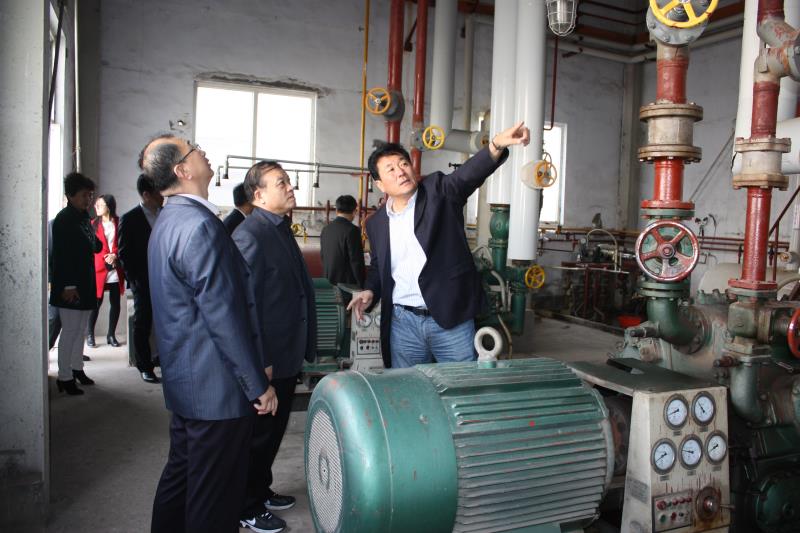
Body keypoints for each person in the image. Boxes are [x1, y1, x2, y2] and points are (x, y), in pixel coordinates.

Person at [140, 135, 277, 533]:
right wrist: (256, 385)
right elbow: (223, 315)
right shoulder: (199, 225)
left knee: (182, 478)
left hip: (187, 381)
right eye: (194, 149)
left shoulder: (170, 219)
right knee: (214, 498)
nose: (202, 152)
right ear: (182, 170)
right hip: (216, 390)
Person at [348, 121, 530, 368]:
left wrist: (496, 145)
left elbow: (466, 176)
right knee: (409, 386)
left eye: (403, 164)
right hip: (403, 324)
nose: (400, 171)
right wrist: (370, 290)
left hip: (450, 318)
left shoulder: (438, 192)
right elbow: (380, 266)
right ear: (380, 184)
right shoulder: (376, 223)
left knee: (461, 383)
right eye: (390, 169)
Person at [232, 160, 317, 533]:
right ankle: (245, 506)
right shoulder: (251, 235)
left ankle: (260, 489)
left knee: (273, 432)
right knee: (258, 436)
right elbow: (245, 306)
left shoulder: (278, 228)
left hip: (285, 352)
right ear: (259, 195)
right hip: (268, 358)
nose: (290, 187)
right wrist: (260, 361)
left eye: (288, 181)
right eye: (281, 182)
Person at [50, 172, 102, 394]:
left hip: (85, 282)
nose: (88, 199)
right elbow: (61, 256)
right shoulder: (64, 219)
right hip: (70, 286)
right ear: (70, 195)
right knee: (70, 331)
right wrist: (68, 286)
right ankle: (64, 376)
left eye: (90, 195)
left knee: (80, 330)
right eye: (84, 195)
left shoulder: (83, 217)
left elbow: (96, 245)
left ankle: (76, 368)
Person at [118, 175, 162, 383]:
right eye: (158, 193)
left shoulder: (166, 214)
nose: (162, 196)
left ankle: (161, 357)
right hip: (143, 281)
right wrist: (135, 281)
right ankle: (144, 366)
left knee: (164, 322)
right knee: (142, 323)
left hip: (166, 280)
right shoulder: (130, 218)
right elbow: (124, 254)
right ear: (146, 195)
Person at [87, 194, 125, 348]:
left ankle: (111, 335)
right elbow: (92, 247)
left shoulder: (119, 222)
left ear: (109, 206)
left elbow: (122, 243)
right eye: (96, 205)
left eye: (100, 205)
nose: (96, 207)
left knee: (115, 302)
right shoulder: (93, 224)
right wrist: (105, 257)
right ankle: (90, 334)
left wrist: (115, 255)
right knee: (96, 302)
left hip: (114, 266)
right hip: (99, 268)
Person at [320, 194, 365, 288]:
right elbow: (356, 261)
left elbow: (323, 256)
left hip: (328, 281)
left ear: (336, 210)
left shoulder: (326, 229)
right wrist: (362, 284)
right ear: (354, 212)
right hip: (346, 285)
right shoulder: (352, 230)